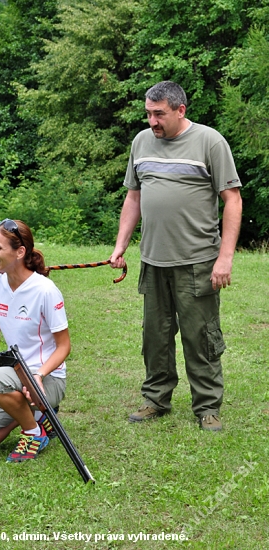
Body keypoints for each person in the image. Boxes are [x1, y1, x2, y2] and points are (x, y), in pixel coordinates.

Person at [110, 81, 242, 431]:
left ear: (180, 110)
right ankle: (156, 399)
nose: (152, 121)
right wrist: (121, 245)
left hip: (198, 261)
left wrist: (224, 257)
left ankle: (207, 408)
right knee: (155, 336)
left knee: (201, 337)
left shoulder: (209, 142)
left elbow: (233, 199)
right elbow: (133, 198)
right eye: (148, 114)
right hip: (153, 261)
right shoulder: (141, 142)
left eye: (159, 114)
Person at [0, 219, 71, 461]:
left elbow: (64, 346)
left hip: (47, 380)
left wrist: (38, 376)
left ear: (20, 252)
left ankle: (33, 432)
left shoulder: (46, 290)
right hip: (12, 378)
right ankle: (38, 417)